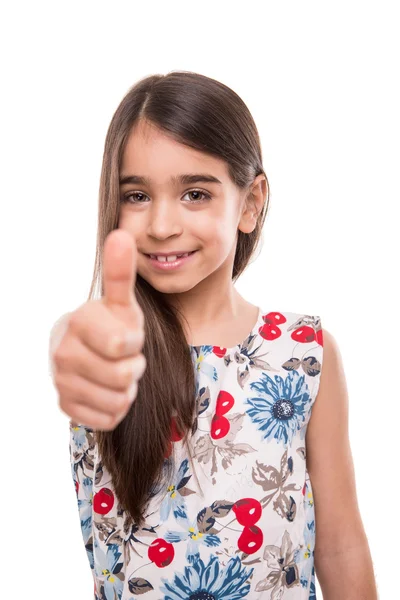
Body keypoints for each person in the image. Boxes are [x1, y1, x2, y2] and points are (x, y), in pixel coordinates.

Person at [49, 71, 377, 599]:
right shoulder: (107, 352)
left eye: (195, 193)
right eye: (136, 195)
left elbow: (341, 546)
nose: (160, 224)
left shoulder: (303, 357)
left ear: (250, 203)